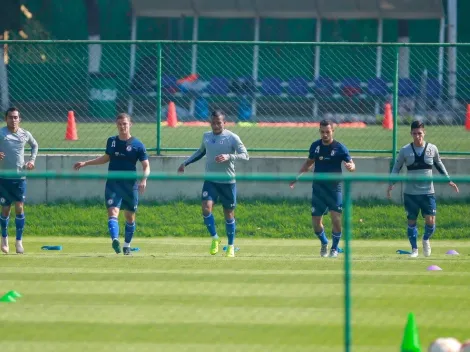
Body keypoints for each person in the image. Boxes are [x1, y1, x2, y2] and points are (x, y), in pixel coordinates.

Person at [74, 113, 150, 255]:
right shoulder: (112, 141)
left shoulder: (138, 145)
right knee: (112, 212)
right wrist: (86, 163)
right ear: (116, 125)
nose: (122, 127)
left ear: (130, 125)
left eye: (125, 124)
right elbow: (106, 158)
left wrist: (144, 180)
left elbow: (146, 165)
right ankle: (115, 240)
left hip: (130, 185)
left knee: (129, 216)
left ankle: (127, 245)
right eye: (120, 124)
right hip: (113, 184)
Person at [177, 110, 249, 257]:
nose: (215, 126)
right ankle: (215, 238)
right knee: (206, 208)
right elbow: (200, 152)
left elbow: (245, 155)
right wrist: (186, 162)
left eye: (219, 123)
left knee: (228, 214)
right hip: (210, 181)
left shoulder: (232, 137)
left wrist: (229, 156)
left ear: (224, 123)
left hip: (228, 182)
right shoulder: (206, 136)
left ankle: (230, 246)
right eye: (213, 123)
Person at [387, 120, 459, 258]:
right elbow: (397, 167)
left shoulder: (432, 149)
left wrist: (448, 180)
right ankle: (414, 250)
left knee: (431, 221)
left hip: (428, 192)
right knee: (411, 221)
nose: (417, 136)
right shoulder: (405, 150)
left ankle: (425, 239)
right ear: (411, 134)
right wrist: (392, 183)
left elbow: (439, 165)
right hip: (410, 193)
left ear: (424, 133)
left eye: (419, 133)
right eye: (414, 133)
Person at [290, 119, 355, 258]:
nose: (325, 135)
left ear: (333, 131)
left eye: (328, 132)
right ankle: (324, 243)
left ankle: (334, 248)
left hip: (334, 189)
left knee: (336, 219)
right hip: (318, 189)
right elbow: (309, 163)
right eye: (322, 132)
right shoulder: (315, 146)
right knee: (316, 223)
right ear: (319, 131)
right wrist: (297, 176)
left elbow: (351, 164)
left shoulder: (340, 148)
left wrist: (351, 167)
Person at [0, 107, 39, 254]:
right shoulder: (1, 133)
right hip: (4, 178)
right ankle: (4, 239)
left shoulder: (25, 134)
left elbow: (35, 145)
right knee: (5, 209)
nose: (13, 120)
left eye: (16, 117)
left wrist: (32, 161)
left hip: (20, 177)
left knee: (19, 207)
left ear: (19, 119)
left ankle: (19, 242)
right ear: (6, 119)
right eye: (10, 117)